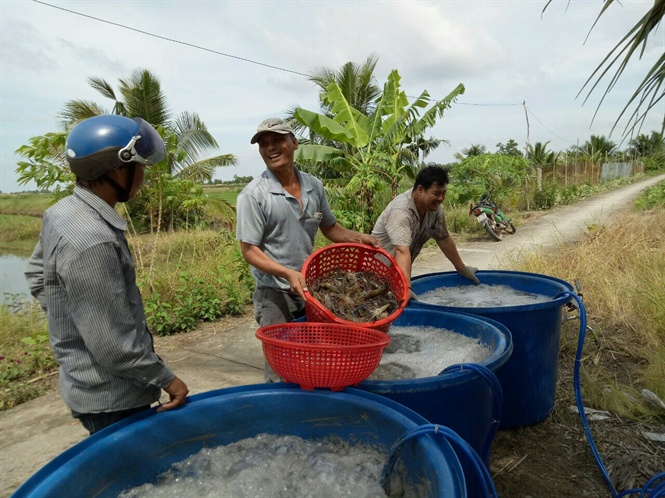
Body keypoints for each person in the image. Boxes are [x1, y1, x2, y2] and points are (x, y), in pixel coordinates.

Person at [24, 114, 189, 435]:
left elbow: (35, 274)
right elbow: (114, 345)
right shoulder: (93, 240)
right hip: (114, 398)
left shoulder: (62, 212)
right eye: (141, 166)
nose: (144, 175)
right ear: (118, 168)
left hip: (86, 384)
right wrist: (168, 380)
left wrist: (73, 318)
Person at [236, 117, 381, 381]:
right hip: (274, 292)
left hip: (311, 290)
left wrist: (358, 237)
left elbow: (330, 227)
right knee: (279, 368)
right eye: (264, 144)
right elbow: (249, 250)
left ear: (294, 142)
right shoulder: (254, 195)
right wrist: (287, 274)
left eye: (278, 140)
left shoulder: (314, 186)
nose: (270, 148)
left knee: (312, 361)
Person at [372, 165, 480, 299]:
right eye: (436, 194)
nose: (440, 198)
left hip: (398, 276)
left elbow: (443, 239)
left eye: (443, 193)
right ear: (420, 190)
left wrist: (462, 268)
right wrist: (406, 288)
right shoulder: (400, 211)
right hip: (374, 276)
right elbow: (401, 250)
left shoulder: (435, 209)